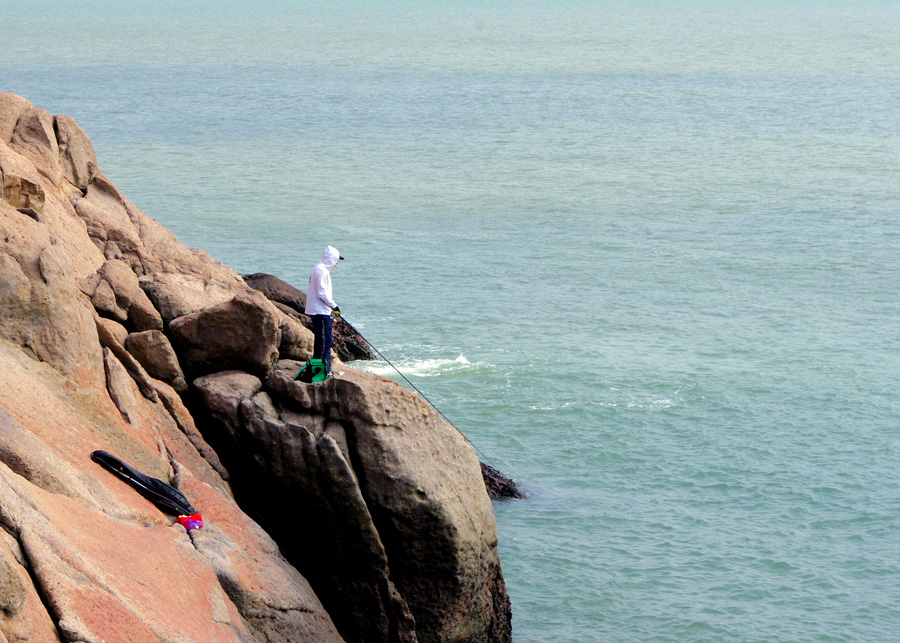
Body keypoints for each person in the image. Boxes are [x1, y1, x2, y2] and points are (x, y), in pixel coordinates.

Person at [305, 245, 343, 374]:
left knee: (323, 341)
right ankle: (322, 370)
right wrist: (335, 306)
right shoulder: (321, 270)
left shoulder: (320, 269)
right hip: (319, 311)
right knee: (324, 342)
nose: (337, 263)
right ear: (331, 259)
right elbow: (322, 293)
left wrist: (331, 308)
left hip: (321, 310)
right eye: (336, 260)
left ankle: (323, 368)